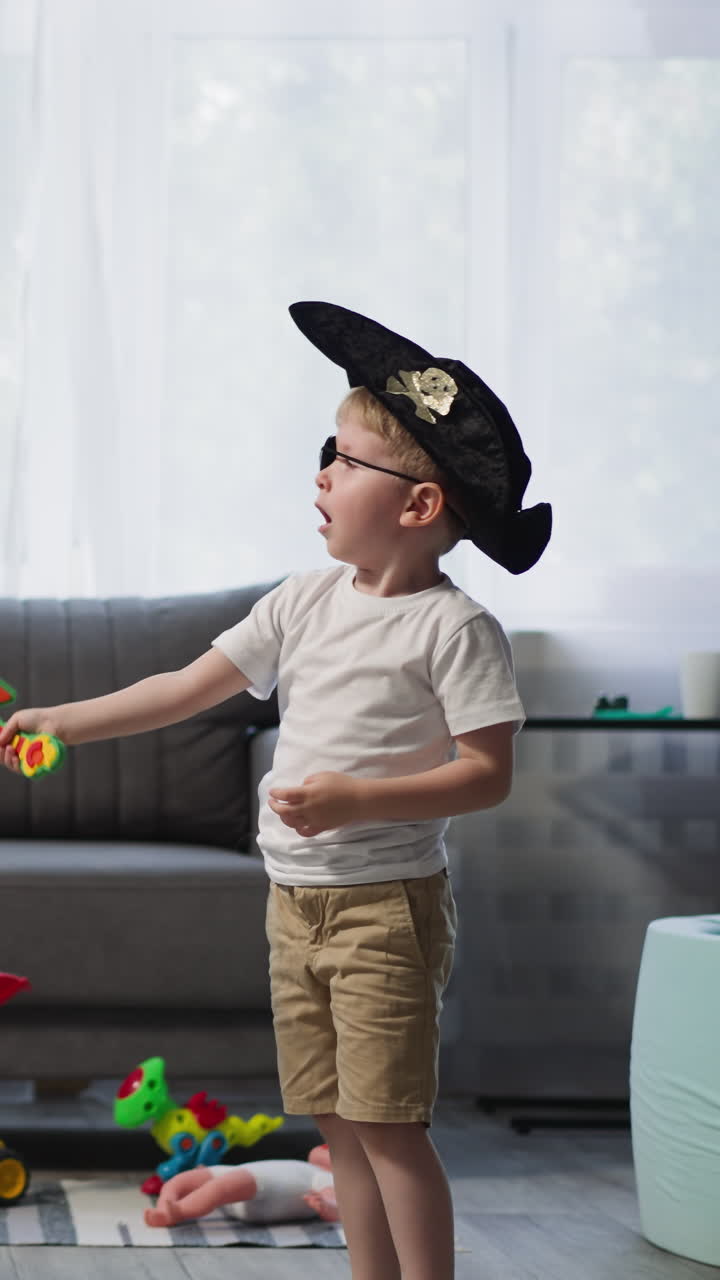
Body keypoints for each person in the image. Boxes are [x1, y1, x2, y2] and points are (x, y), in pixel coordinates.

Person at [0, 301, 551, 1280]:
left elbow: (487, 771)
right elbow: (187, 685)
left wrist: (356, 800)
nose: (321, 476)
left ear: (419, 505)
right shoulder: (302, 598)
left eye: (341, 460)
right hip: (293, 904)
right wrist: (67, 719)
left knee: (389, 1127)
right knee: (339, 1126)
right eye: (324, 452)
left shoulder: (454, 630)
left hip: (386, 909)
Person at [144, 1143, 338, 1228]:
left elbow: (339, 1208)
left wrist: (326, 1206)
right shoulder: (309, 1165)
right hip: (243, 1175)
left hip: (264, 1191)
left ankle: (178, 1212)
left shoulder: (333, 1178)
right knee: (180, 1180)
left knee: (217, 1188)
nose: (324, 1147)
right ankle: (164, 1206)